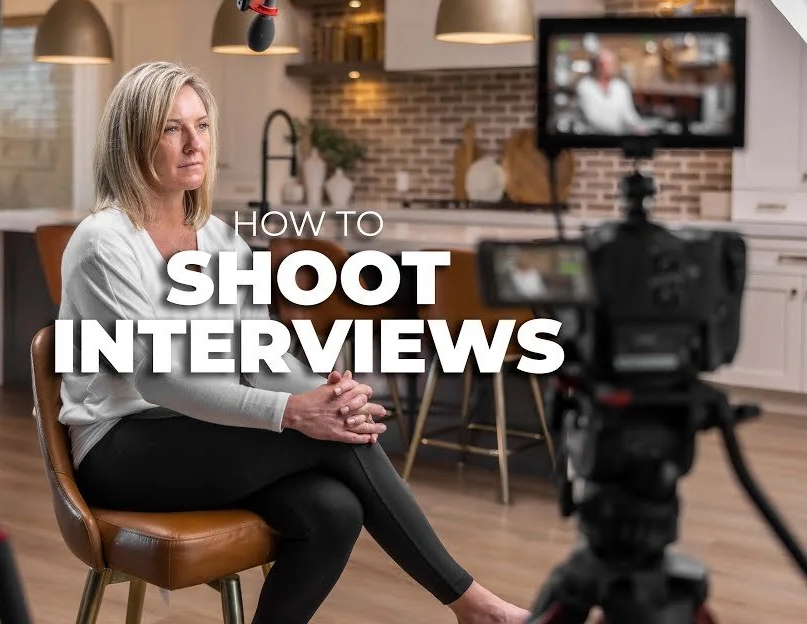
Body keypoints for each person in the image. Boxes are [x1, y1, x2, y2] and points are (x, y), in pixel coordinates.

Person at [58, 60, 531, 624]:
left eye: (202, 126)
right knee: (328, 439)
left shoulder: (218, 238)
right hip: (120, 445)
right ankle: (476, 606)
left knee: (333, 510)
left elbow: (259, 351)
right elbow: (157, 377)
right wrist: (293, 412)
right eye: (170, 128)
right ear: (132, 140)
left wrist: (327, 394)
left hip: (195, 435)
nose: (193, 144)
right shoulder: (103, 243)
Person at [575, 48, 650, 135]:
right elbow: (591, 117)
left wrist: (640, 127)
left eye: (609, 64)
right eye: (602, 64)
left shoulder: (621, 87)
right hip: (592, 138)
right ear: (595, 65)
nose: (606, 67)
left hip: (617, 139)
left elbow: (629, 114)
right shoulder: (584, 86)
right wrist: (618, 131)